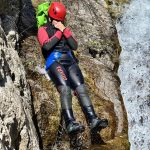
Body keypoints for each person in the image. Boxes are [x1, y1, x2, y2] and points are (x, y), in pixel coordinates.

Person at [37, 2, 108, 135]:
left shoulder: (65, 29)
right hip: (54, 61)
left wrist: (64, 30)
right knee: (65, 88)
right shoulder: (43, 29)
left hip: (70, 61)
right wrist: (58, 33)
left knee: (81, 87)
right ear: (50, 18)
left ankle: (93, 119)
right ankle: (70, 122)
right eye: (56, 20)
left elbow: (74, 46)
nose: (58, 22)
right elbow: (46, 46)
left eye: (60, 20)